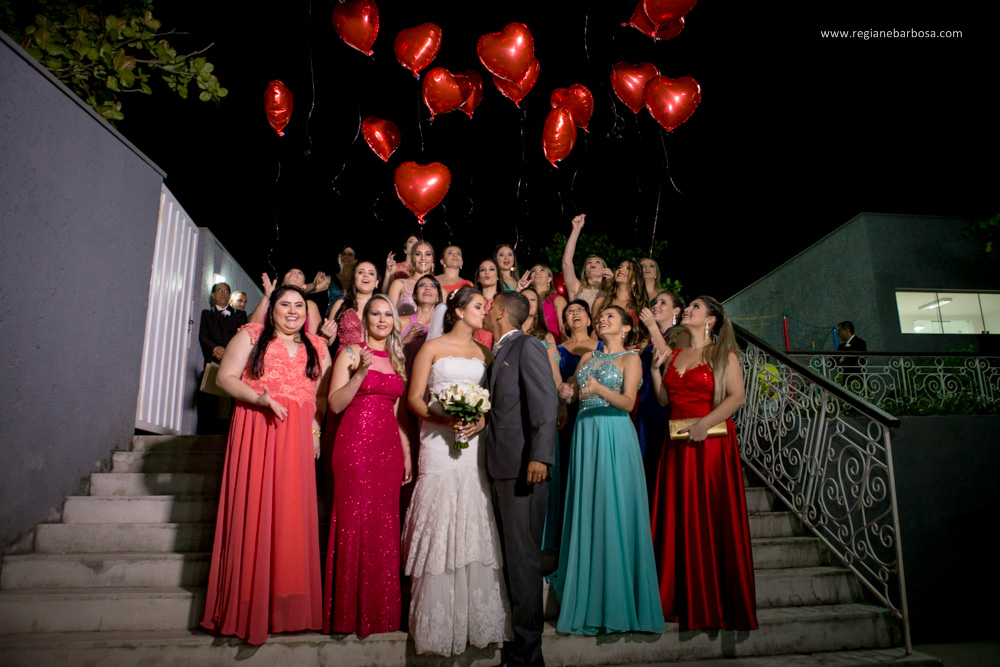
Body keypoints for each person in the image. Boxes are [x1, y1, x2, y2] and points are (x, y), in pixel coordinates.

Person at [200, 285, 331, 645]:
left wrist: (316, 430)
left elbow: (318, 396)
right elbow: (226, 378)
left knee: (290, 517)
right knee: (254, 513)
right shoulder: (251, 335)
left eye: (299, 305)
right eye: (285, 304)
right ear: (271, 309)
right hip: (257, 427)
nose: (292, 311)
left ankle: (284, 608)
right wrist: (260, 399)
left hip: (299, 435)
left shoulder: (318, 347)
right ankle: (246, 606)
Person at [402, 287, 511, 656]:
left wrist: (479, 419)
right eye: (479, 306)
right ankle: (437, 622)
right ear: (460, 311)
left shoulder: (486, 354)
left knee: (473, 515)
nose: (485, 311)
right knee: (441, 514)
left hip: (472, 447)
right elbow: (415, 398)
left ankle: (474, 619)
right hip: (437, 441)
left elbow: (492, 403)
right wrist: (444, 419)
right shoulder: (431, 349)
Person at [551, 306, 665, 636]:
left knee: (615, 508)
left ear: (627, 328)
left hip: (616, 434)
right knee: (590, 510)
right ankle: (588, 588)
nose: (602, 321)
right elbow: (571, 394)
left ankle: (620, 598)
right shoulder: (587, 359)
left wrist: (599, 391)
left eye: (610, 318)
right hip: (586, 435)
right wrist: (566, 393)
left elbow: (629, 403)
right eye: (601, 318)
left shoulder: (631, 360)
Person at [649, 296, 758, 632]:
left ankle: (714, 601)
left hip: (710, 447)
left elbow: (736, 398)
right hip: (677, 447)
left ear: (711, 319)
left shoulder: (723, 355)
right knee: (678, 518)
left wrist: (704, 423)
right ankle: (679, 597)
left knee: (708, 518)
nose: (687, 311)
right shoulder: (676, 355)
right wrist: (655, 369)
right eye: (688, 307)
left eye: (695, 308)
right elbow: (665, 399)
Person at [324, 294, 411, 637]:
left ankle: (381, 614)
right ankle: (348, 615)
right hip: (354, 448)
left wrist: (405, 450)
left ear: (393, 320)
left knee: (383, 527)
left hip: (387, 450)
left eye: (387, 314)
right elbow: (334, 404)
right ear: (365, 318)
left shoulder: (396, 358)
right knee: (354, 524)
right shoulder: (349, 353)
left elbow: (395, 411)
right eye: (374, 313)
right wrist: (360, 371)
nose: (381, 319)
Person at [482, 291, 558, 667]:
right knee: (513, 558)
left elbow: (545, 401)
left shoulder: (527, 345)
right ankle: (519, 643)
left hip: (524, 467)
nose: (484, 309)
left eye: (488, 304)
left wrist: (540, 455)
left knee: (525, 559)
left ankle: (529, 654)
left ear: (499, 311)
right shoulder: (497, 351)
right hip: (500, 467)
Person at [635, 291, 687, 503]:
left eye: (663, 303)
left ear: (676, 311)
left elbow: (672, 362)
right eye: (655, 302)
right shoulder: (647, 338)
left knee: (657, 456)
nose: (656, 305)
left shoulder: (681, 333)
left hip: (663, 400)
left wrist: (652, 327)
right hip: (644, 399)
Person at [197, 282, 248, 433]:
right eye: (219, 290)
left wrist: (228, 351)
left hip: (234, 363)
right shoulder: (207, 314)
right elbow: (203, 336)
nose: (223, 293)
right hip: (213, 362)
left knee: (234, 402)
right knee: (208, 403)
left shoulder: (240, 315)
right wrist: (216, 348)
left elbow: (242, 336)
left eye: (226, 290)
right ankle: (204, 436)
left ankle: (232, 434)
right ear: (213, 295)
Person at [250, 268, 323, 336]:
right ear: (283, 284)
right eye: (290, 272)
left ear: (304, 286)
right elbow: (252, 327)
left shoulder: (310, 305)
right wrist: (266, 297)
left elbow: (314, 338)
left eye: (299, 273)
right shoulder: (271, 302)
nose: (294, 272)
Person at [560, 214, 611, 310]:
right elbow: (567, 262)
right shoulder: (576, 287)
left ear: (605, 269)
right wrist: (576, 230)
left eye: (597, 262)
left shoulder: (611, 290)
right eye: (589, 262)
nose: (592, 263)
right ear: (585, 271)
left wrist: (611, 283)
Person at [328, 260, 380, 355]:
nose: (365, 275)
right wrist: (325, 334)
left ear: (376, 282)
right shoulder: (341, 304)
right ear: (354, 279)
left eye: (371, 273)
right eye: (360, 272)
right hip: (345, 362)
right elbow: (328, 342)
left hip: (375, 361)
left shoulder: (383, 307)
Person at [519, 264, 567, 345]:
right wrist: (519, 290)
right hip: (526, 346)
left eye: (542, 270)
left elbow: (563, 329)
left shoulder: (558, 300)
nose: (537, 272)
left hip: (551, 348)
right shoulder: (523, 300)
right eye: (534, 271)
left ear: (549, 278)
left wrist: (563, 352)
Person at [388, 240, 435, 317]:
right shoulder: (399, 284)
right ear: (412, 258)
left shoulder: (439, 287)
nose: (423, 258)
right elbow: (389, 316)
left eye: (428, 254)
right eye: (418, 254)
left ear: (433, 259)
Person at [591, 259, 646, 324]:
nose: (621, 270)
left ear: (635, 278)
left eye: (628, 268)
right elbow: (594, 331)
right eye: (619, 267)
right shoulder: (601, 302)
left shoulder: (641, 305)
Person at [473, 258, 501, 349]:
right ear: (478, 278)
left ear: (498, 276)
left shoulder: (503, 301)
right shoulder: (472, 300)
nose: (487, 272)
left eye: (491, 269)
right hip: (473, 350)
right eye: (483, 270)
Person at [837, 320, 867, 387]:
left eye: (840, 331)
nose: (838, 334)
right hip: (845, 379)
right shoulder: (841, 347)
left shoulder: (859, 343)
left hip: (858, 378)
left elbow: (857, 359)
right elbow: (836, 361)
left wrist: (843, 359)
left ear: (847, 331)